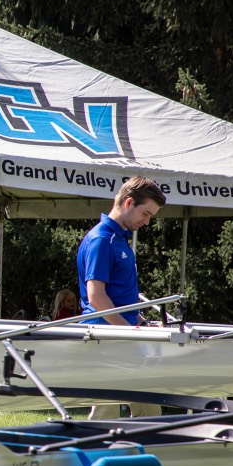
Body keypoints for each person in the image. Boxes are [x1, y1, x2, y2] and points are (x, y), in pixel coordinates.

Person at [77, 175, 166, 419]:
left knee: (150, 410)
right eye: (146, 213)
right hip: (105, 338)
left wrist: (142, 324)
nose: (147, 221)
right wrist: (130, 330)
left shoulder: (118, 239)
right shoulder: (101, 240)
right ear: (128, 203)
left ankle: (149, 443)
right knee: (106, 412)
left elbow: (121, 298)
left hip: (122, 336)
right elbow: (96, 297)